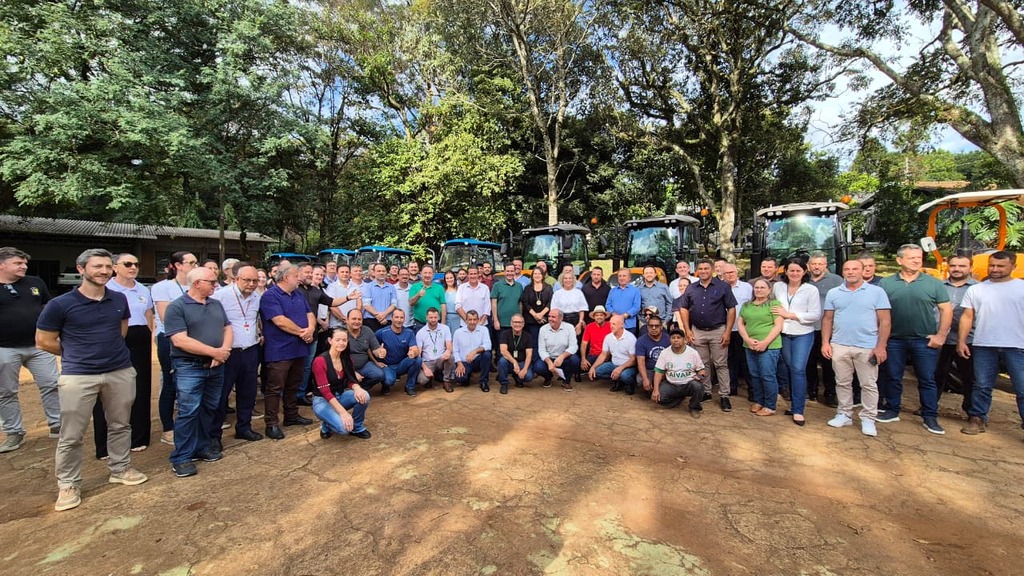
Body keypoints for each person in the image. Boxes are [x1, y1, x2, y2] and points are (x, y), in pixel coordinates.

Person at [37, 249, 147, 511]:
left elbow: (120, 333)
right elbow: (43, 341)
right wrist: (77, 354)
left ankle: (120, 468)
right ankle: (68, 484)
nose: (104, 271)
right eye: (97, 266)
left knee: (120, 424)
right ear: (81, 269)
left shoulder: (119, 299)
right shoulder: (60, 304)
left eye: (108, 266)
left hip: (119, 370)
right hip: (78, 375)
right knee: (72, 434)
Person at [163, 266, 232, 478]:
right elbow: (179, 340)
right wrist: (215, 353)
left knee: (209, 408)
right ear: (197, 283)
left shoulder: (216, 303)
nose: (215, 285)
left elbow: (227, 328)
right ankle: (182, 457)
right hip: (189, 366)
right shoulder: (177, 307)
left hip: (216, 366)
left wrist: (223, 352)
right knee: (188, 411)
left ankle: (202, 447)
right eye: (211, 282)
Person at [877, 244, 952, 435]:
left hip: (924, 341)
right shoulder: (886, 284)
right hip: (894, 340)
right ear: (899, 260)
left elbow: (946, 309)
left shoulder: (933, 283)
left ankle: (929, 416)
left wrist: (941, 335)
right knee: (893, 377)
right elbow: (878, 312)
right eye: (912, 258)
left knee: (927, 379)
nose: (917, 261)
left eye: (919, 258)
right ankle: (892, 409)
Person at [0, 247, 60, 454]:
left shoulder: (36, 282)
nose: (24, 266)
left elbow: (48, 308)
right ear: (2, 264)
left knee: (52, 383)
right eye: (18, 263)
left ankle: (57, 423)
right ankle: (14, 432)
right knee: (6, 391)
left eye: (24, 263)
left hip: (39, 345)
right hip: (4, 348)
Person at [822, 259, 891, 437]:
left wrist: (881, 346)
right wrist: (825, 342)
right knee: (842, 382)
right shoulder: (834, 293)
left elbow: (885, 321)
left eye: (855, 269)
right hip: (840, 344)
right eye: (847, 269)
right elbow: (828, 319)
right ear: (842, 272)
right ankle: (844, 414)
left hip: (867, 345)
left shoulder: (877, 292)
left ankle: (868, 418)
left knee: (868, 384)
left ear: (863, 271)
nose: (851, 272)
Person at [94, 253, 154, 458]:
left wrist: (148, 335)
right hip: (111, 338)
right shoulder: (106, 288)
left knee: (140, 387)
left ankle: (139, 437)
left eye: (136, 264)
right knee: (107, 389)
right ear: (115, 267)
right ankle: (104, 444)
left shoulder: (143, 289)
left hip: (139, 337)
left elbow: (148, 317)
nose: (133, 267)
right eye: (128, 264)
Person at [958, 251, 1024, 437]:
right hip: (984, 344)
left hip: (1017, 346)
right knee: (982, 385)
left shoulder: (1021, 287)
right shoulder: (976, 289)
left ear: (1013, 266)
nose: (995, 269)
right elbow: (967, 317)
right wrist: (962, 341)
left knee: (1022, 387)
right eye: (992, 265)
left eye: (1000, 266)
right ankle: (977, 418)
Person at [258, 262, 316, 441]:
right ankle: (272, 423)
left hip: (299, 347)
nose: (299, 278)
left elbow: (310, 314)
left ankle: (291, 415)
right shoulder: (270, 296)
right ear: (285, 277)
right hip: (280, 350)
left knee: (294, 383)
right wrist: (302, 332)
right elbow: (279, 321)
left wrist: (310, 330)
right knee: (275, 387)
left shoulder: (298, 293)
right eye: (296, 275)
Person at [210, 265, 264, 444]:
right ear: (236, 279)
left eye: (255, 281)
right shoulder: (221, 296)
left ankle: (244, 427)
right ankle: (214, 435)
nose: (251, 284)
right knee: (221, 394)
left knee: (248, 392)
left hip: (250, 349)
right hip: (228, 352)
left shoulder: (257, 297)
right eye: (247, 280)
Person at [676, 259, 738, 412]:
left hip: (718, 330)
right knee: (703, 364)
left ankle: (724, 395)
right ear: (697, 271)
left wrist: (727, 332)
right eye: (701, 269)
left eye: (706, 268)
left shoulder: (723, 286)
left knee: (721, 364)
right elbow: (683, 308)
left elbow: (731, 309)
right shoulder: (691, 288)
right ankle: (707, 391)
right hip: (698, 331)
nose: (703, 271)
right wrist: (687, 330)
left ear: (712, 270)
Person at [151, 251, 197, 446]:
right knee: (171, 383)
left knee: (195, 383)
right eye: (192, 262)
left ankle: (193, 425)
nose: (196, 265)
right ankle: (168, 428)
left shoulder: (200, 285)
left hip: (198, 340)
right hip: (171, 340)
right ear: (178, 265)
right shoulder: (163, 287)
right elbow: (166, 317)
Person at [772, 258, 822, 426]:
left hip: (803, 334)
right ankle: (793, 405)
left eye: (798, 271)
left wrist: (790, 315)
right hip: (784, 333)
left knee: (798, 369)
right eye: (791, 270)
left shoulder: (810, 290)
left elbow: (815, 314)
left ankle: (799, 410)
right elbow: (772, 306)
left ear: (804, 272)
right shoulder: (778, 287)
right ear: (785, 271)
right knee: (788, 368)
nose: (794, 273)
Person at [311, 327, 372, 440]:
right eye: (338, 340)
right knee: (344, 429)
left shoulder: (346, 358)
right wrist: (344, 413)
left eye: (344, 340)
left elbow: (350, 380)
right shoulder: (320, 361)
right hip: (323, 400)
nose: (341, 343)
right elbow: (325, 392)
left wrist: (357, 388)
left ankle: (357, 427)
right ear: (330, 341)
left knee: (365, 396)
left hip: (339, 395)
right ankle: (326, 425)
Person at [935, 255, 976, 415]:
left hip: (968, 340)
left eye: (962, 266)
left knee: (969, 378)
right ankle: (930, 406)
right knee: (936, 375)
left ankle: (973, 412)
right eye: (953, 265)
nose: (957, 269)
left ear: (970, 267)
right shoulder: (937, 286)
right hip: (941, 339)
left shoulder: (977, 288)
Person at [738, 279, 784, 416]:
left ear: (769, 290)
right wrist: (747, 339)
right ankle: (758, 401)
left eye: (762, 287)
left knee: (767, 375)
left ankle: (770, 405)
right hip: (749, 345)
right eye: (756, 287)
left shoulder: (774, 304)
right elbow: (741, 323)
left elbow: (778, 325)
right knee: (755, 375)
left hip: (769, 346)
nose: (759, 290)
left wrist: (765, 342)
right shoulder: (747, 305)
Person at [806, 252, 844, 407]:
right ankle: (811, 390)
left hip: (827, 329)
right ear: (809, 265)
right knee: (809, 362)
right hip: (807, 328)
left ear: (825, 265)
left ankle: (830, 393)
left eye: (820, 264)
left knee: (828, 363)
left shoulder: (836, 281)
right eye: (814, 264)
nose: (816, 267)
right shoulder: (804, 279)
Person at [651, 328, 706, 418]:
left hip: (688, 383)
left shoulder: (692, 353)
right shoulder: (665, 353)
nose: (676, 340)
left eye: (678, 337)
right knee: (659, 398)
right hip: (671, 384)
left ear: (684, 340)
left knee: (698, 387)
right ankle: (679, 398)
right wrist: (655, 390)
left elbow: (702, 369)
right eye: (673, 338)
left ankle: (694, 408)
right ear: (670, 340)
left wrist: (699, 376)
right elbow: (658, 372)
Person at [722, 263, 752, 397]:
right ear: (722, 275)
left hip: (743, 329)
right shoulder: (719, 288)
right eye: (726, 273)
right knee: (729, 360)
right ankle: (732, 386)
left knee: (745, 360)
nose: (730, 275)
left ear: (737, 272)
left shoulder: (747, 288)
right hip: (725, 329)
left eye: (732, 272)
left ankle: (752, 389)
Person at [375, 309, 422, 396]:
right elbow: (372, 347)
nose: (399, 320)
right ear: (391, 318)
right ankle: (385, 385)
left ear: (404, 319)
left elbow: (415, 348)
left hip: (402, 364)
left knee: (418, 360)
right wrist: (377, 358)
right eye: (396, 317)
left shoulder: (409, 332)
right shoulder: (381, 332)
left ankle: (409, 387)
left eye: (401, 318)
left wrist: (413, 352)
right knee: (389, 381)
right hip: (387, 365)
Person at [588, 314, 637, 393]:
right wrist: (593, 367)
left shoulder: (630, 338)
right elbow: (603, 355)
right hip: (613, 364)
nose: (611, 326)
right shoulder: (608, 337)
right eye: (610, 323)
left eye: (614, 324)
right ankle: (618, 380)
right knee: (597, 372)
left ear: (621, 325)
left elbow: (633, 360)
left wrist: (620, 368)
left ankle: (629, 384)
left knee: (625, 376)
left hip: (628, 366)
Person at [534, 309, 580, 390]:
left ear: (561, 318)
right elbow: (541, 349)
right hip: (549, 357)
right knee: (538, 367)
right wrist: (549, 362)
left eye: (553, 317)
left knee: (575, 360)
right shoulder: (543, 329)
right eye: (549, 316)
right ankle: (548, 378)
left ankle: (566, 380)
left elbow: (574, 346)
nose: (550, 319)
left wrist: (562, 357)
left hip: (564, 358)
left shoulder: (569, 327)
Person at [345, 309, 388, 393]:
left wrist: (380, 352)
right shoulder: (341, 333)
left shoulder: (367, 331)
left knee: (379, 374)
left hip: (364, 365)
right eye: (354, 319)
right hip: (346, 367)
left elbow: (375, 349)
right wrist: (352, 372)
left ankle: (361, 389)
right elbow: (337, 359)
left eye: (359, 319)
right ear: (347, 320)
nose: (357, 322)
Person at [452, 310, 492, 392]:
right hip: (464, 362)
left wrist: (474, 352)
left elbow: (488, 345)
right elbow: (455, 350)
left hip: (478, 360)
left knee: (487, 354)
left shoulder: (484, 330)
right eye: (470, 319)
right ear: (466, 320)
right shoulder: (458, 332)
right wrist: (459, 363)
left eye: (474, 319)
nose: (472, 322)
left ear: (478, 320)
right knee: (460, 379)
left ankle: (483, 382)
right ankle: (467, 376)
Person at [415, 307, 454, 392]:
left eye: (435, 317)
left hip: (441, 359)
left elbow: (449, 345)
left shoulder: (445, 328)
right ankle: (430, 378)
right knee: (421, 380)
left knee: (451, 356)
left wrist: (448, 351)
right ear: (426, 318)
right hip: (428, 361)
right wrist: (425, 368)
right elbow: (418, 355)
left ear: (439, 317)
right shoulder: (420, 333)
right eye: (431, 317)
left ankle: (446, 381)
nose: (433, 320)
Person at [496, 314, 535, 394]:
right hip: (510, 362)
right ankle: (504, 384)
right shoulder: (505, 334)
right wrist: (514, 362)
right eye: (515, 322)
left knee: (528, 377)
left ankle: (517, 377)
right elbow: (503, 351)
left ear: (523, 324)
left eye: (520, 322)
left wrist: (524, 369)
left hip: (522, 363)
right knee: (502, 361)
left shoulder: (528, 336)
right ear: (511, 323)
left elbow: (529, 355)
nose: (517, 324)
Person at [490, 261, 524, 352]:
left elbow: (520, 303)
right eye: (507, 271)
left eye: (511, 271)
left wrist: (521, 318)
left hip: (515, 324)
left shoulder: (519, 286)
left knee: (514, 348)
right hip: (501, 323)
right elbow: (493, 303)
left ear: (514, 272)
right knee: (501, 349)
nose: (510, 273)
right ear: (504, 272)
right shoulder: (497, 286)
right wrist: (496, 320)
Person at [636, 314, 670, 395]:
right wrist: (645, 379)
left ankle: (660, 389)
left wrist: (665, 374)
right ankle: (650, 390)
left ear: (661, 327)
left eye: (656, 326)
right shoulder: (641, 341)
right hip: (649, 370)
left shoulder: (668, 339)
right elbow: (641, 363)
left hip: (665, 370)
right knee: (640, 380)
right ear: (647, 327)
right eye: (651, 326)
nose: (653, 328)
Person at [520, 266, 552, 352]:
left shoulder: (548, 288)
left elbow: (550, 302)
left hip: (544, 319)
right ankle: (534, 361)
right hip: (531, 320)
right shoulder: (527, 288)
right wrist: (535, 315)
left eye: (539, 273)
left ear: (543, 275)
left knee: (545, 342)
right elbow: (525, 303)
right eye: (535, 273)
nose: (537, 275)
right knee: (533, 343)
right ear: (532, 276)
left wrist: (541, 315)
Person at [324, 262, 363, 330]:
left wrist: (353, 318)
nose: (345, 274)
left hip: (353, 325)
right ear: (337, 274)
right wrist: (344, 319)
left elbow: (359, 303)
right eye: (342, 272)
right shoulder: (332, 287)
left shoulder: (355, 286)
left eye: (347, 272)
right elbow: (332, 306)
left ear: (350, 274)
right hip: (337, 324)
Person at [549, 271, 587, 337]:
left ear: (573, 280)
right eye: (565, 278)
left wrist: (580, 323)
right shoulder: (557, 294)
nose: (568, 280)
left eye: (570, 278)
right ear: (562, 280)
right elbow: (554, 310)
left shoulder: (578, 293)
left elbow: (582, 309)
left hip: (576, 320)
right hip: (561, 320)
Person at [410, 265, 445, 332]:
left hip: (437, 323)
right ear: (421, 274)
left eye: (429, 273)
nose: (427, 275)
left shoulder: (439, 288)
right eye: (425, 273)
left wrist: (443, 323)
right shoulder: (414, 287)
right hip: (420, 324)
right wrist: (418, 295)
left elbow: (443, 306)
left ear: (433, 274)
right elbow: (411, 303)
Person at [364, 263, 398, 332]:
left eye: (383, 271)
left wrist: (384, 315)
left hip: (387, 321)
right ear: (374, 272)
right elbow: (366, 305)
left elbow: (394, 304)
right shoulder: (367, 287)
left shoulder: (392, 287)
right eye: (379, 271)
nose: (381, 273)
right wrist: (379, 316)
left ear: (386, 272)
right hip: (371, 321)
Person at [605, 269, 641, 334]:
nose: (622, 278)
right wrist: (614, 314)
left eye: (624, 276)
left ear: (629, 278)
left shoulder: (635, 290)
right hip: (614, 324)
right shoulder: (612, 291)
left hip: (629, 325)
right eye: (620, 276)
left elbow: (636, 307)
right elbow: (608, 304)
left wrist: (624, 316)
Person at [580, 306, 611, 374]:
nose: (599, 317)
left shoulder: (610, 325)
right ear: (594, 317)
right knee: (582, 367)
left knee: (599, 370)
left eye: (601, 315)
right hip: (594, 354)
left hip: (607, 354)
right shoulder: (589, 327)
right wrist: (583, 359)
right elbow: (584, 344)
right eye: (597, 315)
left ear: (605, 316)